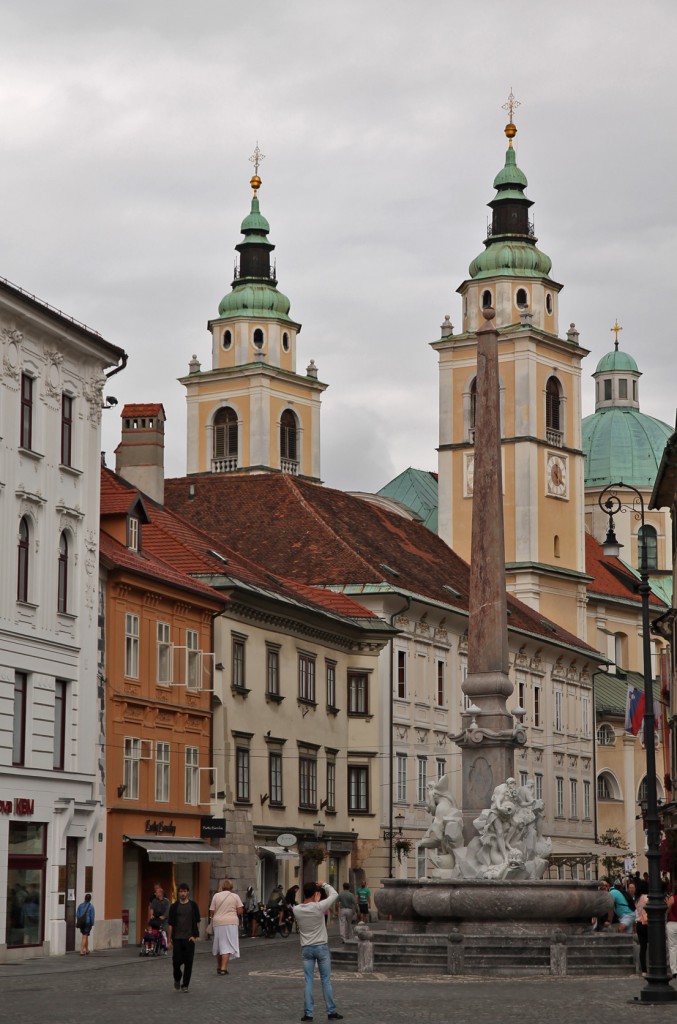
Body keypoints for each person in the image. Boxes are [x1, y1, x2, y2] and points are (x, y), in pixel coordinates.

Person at [293, 880, 343, 1022]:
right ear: (315, 893)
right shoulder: (319, 907)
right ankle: (331, 1011)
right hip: (321, 946)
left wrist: (314, 899)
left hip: (307, 948)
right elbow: (334, 894)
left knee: (308, 981)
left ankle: (308, 1013)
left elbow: (306, 906)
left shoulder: (296, 910)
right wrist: (325, 885)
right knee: (325, 980)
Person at [167, 882, 201, 993]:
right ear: (178, 893)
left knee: (188, 962)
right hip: (177, 938)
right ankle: (177, 977)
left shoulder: (193, 905)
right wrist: (169, 940)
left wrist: (195, 936)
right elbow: (170, 924)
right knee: (176, 962)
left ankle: (185, 985)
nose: (182, 893)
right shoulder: (174, 907)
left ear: (188, 892)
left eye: (184, 891)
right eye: (181, 891)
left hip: (189, 938)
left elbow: (197, 921)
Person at [209, 879, 243, 975]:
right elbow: (240, 910)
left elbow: (212, 910)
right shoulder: (235, 896)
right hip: (231, 922)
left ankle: (219, 966)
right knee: (227, 945)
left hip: (218, 922)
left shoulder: (216, 896)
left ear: (222, 887)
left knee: (220, 945)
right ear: (231, 887)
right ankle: (224, 968)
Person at [666, 888, 677, 976]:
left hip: (672, 923)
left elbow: (668, 910)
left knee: (673, 947)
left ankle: (674, 970)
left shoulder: (672, 898)